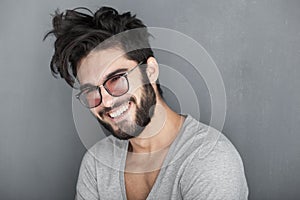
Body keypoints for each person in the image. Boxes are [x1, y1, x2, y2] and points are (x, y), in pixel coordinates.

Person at [44, 6, 248, 200]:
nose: (105, 100)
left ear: (150, 71)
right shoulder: (97, 164)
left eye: (116, 79)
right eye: (90, 90)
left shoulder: (210, 159)